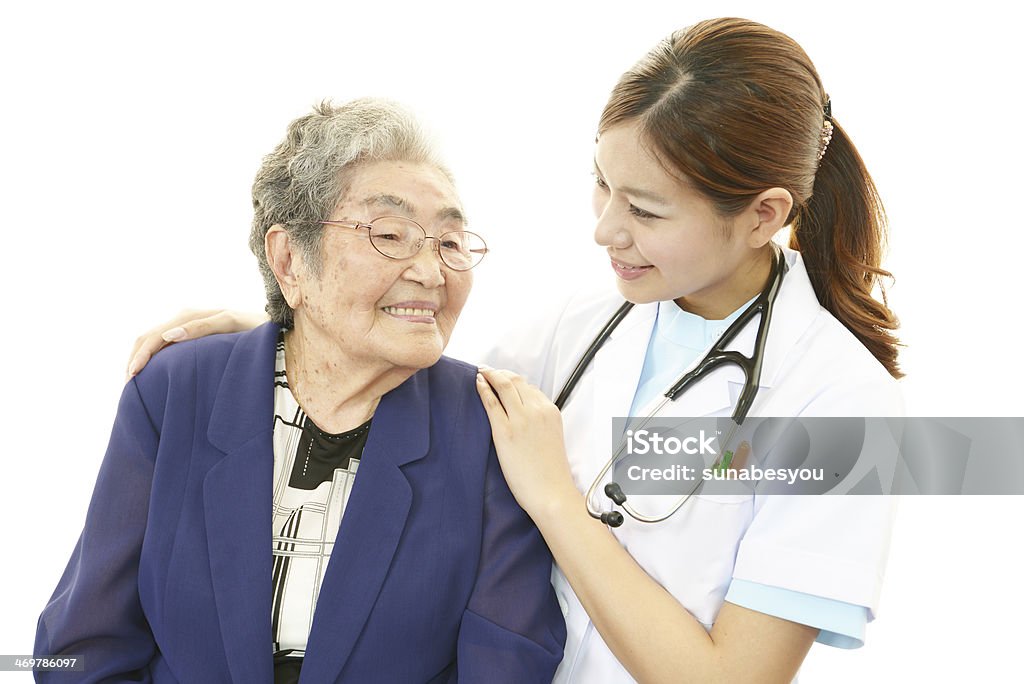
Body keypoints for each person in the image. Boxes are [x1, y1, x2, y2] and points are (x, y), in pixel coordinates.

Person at [125, 18, 903, 684]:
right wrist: (291, 324)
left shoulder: (839, 402)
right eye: (601, 185)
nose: (606, 229)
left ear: (764, 214)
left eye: (646, 210)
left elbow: (732, 677)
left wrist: (557, 503)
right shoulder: (577, 328)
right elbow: (410, 370)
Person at [35, 98, 566, 683]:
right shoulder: (174, 389)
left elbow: (508, 663)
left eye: (450, 241)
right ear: (289, 259)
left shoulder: (491, 425)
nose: (432, 271)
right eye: (391, 234)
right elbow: (75, 649)